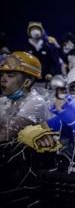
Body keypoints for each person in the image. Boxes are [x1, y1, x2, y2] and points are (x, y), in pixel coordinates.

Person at [0, 52, 51, 191]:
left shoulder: (35, 102)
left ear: (27, 81)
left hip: (30, 174)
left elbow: (5, 135)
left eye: (10, 75)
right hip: (11, 165)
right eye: (3, 74)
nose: (3, 80)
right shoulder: (5, 100)